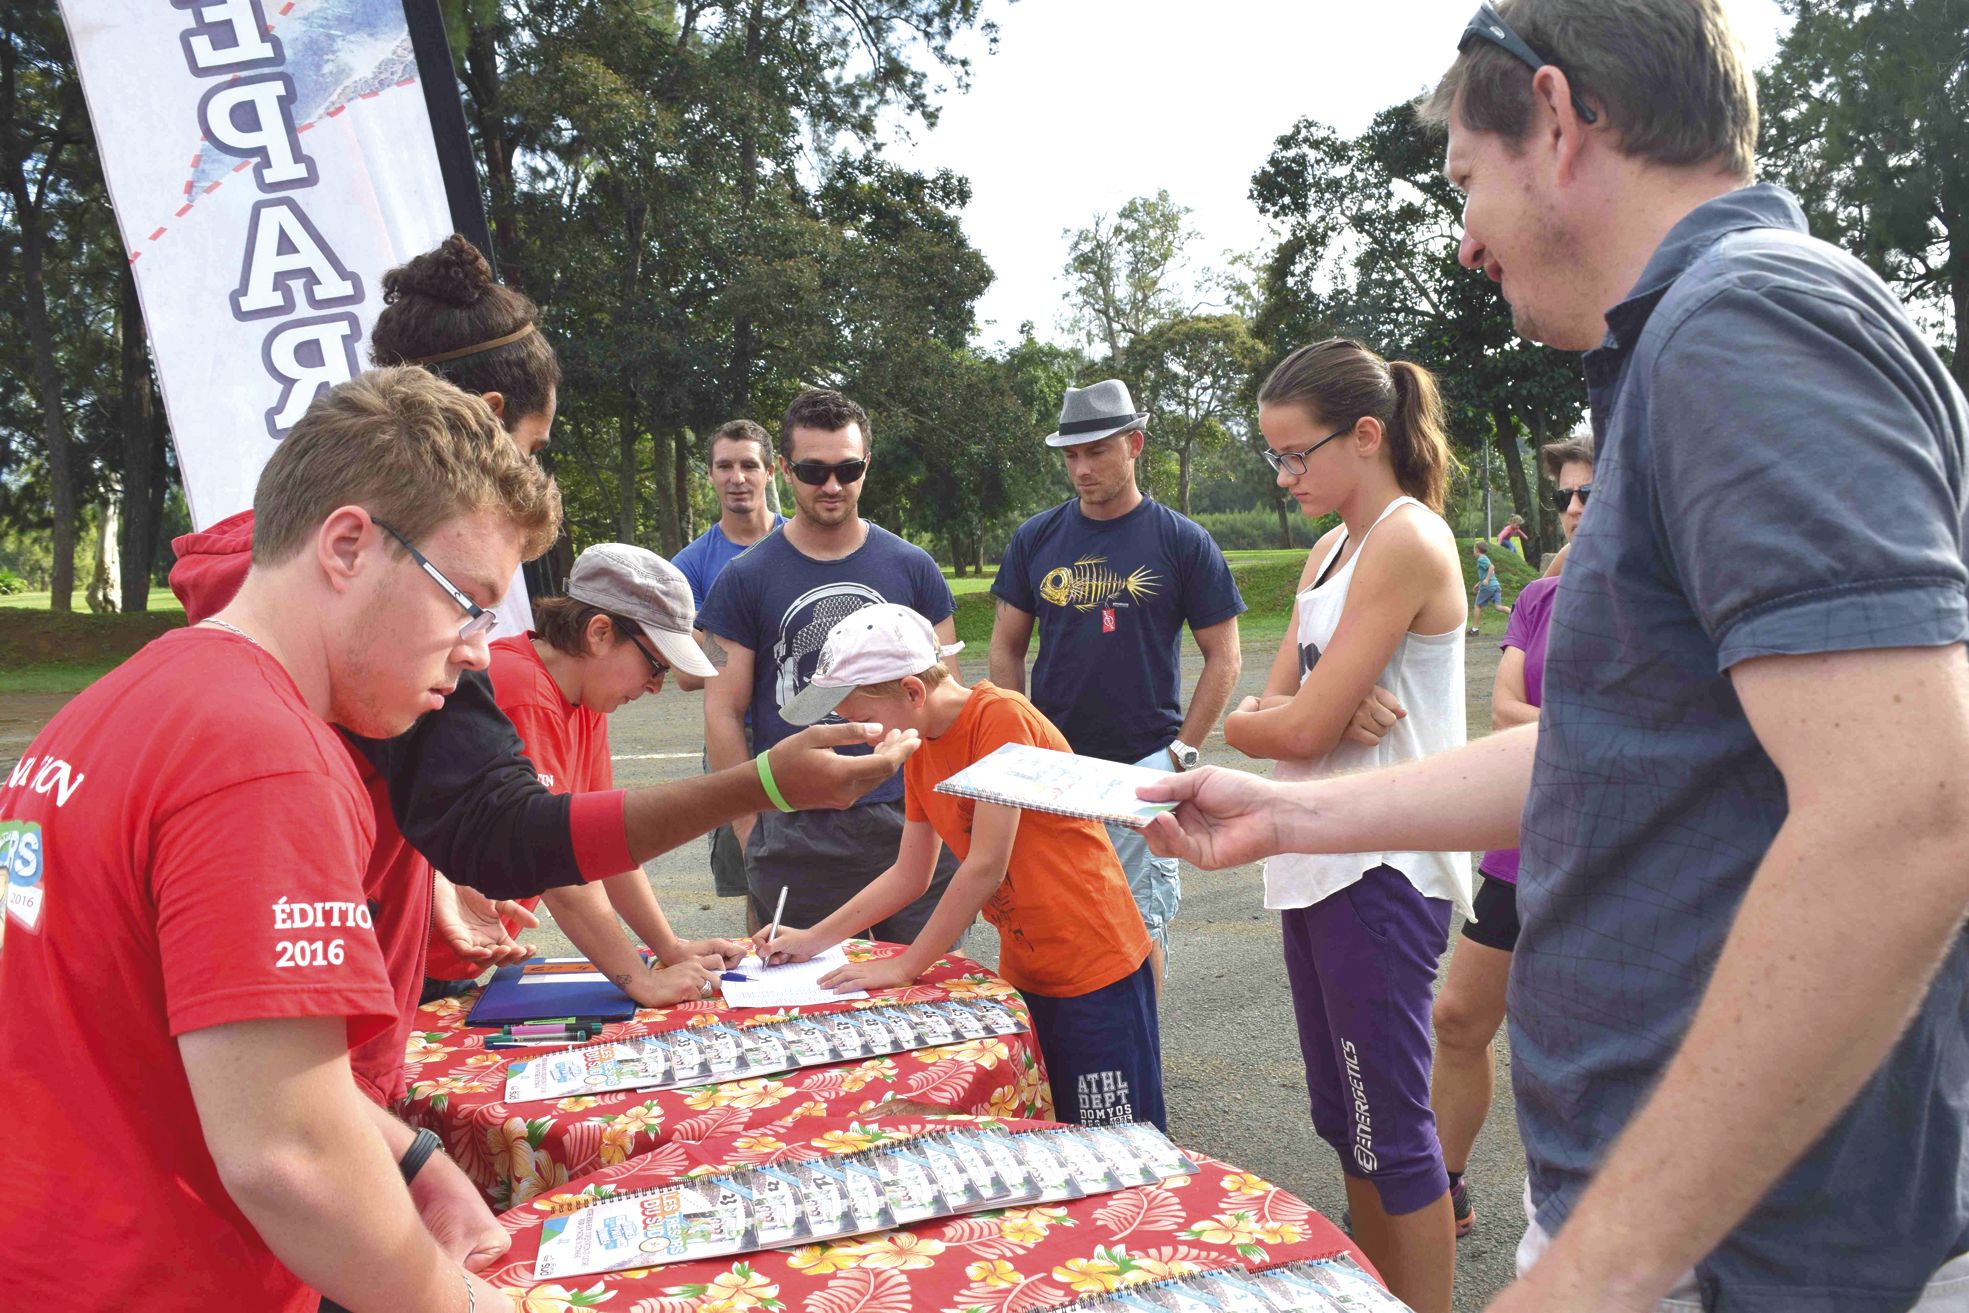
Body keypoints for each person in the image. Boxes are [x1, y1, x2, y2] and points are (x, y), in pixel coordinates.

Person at [1141, 3, 1969, 1309]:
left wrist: (1600, 1270)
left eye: (1468, 180)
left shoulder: (1741, 330)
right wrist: (1291, 809)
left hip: (1743, 1259)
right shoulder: (1697, 341)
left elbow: (1905, 815)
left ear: (1558, 117)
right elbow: (1609, 749)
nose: (1463, 238)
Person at [169, 238, 915, 1110]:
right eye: (461, 601)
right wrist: (757, 787)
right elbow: (276, 1129)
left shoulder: (219, 674)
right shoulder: (245, 736)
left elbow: (518, 831)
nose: (480, 651)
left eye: (485, 617)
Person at [0, 368, 556, 1311]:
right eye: (466, 600)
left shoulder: (117, 705)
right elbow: (288, 1154)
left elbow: (199, 1050)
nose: (474, 650)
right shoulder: (265, 755)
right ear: (346, 545)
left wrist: (418, 1157)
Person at [1227, 339, 1469, 1313]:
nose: (1285, 477)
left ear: (1365, 435)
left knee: (1389, 1128)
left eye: (1297, 455)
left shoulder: (1407, 538)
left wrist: (1297, 716)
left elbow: (1302, 721)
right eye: (1274, 459)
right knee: (1346, 1121)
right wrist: (1285, 715)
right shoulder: (1331, 549)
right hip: (1313, 858)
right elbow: (1263, 714)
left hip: (1382, 867)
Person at [758, 603, 1165, 1130]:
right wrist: (815, 938)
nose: (854, 729)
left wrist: (906, 966)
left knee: (1119, 1135)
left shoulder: (1000, 718)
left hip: (1094, 963)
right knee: (1055, 1124)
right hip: (1029, 968)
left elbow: (986, 866)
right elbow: (911, 873)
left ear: (912, 691)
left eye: (858, 713)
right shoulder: (920, 748)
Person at [988, 379, 1244, 991]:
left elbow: (1225, 655)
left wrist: (1182, 749)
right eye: (1071, 455)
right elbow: (1005, 646)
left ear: (1135, 445)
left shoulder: (1181, 540)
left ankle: (1140, 1058)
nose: (1081, 468)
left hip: (1141, 763)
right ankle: (1076, 1053)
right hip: (1053, 766)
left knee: (1137, 921)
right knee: (1057, 914)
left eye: (1097, 451)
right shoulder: (1037, 538)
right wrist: (1018, 738)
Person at [422, 545, 749, 1005]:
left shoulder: (583, 698)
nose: (657, 687)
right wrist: (639, 980)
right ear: (599, 633)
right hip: (417, 952)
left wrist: (669, 948)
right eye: (656, 665)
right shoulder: (523, 693)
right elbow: (555, 862)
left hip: (453, 949)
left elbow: (603, 845)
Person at [699, 388, 963, 940]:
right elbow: (724, 709)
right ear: (784, 470)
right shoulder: (744, 578)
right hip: (797, 827)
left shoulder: (913, 567)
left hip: (910, 817)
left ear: (866, 464)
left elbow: (947, 699)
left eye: (847, 468)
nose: (833, 486)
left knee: (923, 997)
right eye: (814, 470)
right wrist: (750, 826)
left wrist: (951, 812)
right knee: (802, 1001)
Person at [1428, 434, 1592, 1243]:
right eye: (1565, 494)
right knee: (1458, 1018)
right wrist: (1592, 728)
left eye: (1587, 495)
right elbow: (1501, 713)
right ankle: (1441, 1186)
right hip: (1518, 842)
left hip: (1610, 856)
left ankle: (1573, 1212)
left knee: (1575, 1044)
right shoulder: (1540, 598)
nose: (1569, 510)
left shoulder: (1661, 597)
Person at [672, 420, 786, 902]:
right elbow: (685, 671)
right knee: (756, 877)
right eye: (725, 466)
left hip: (802, 724)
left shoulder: (803, 542)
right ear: (710, 475)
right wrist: (737, 633)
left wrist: (716, 634)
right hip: (734, 734)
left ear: (771, 472)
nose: (737, 477)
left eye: (748, 465)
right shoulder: (691, 565)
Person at [1467, 540, 1504, 634]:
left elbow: (1492, 567)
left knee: (1477, 605)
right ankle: (1516, 613)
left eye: (1474, 549)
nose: (1473, 552)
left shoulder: (1481, 559)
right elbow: (1487, 572)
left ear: (1477, 550)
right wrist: (1479, 583)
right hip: (1496, 585)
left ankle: (1474, 629)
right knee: (1498, 607)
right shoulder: (1485, 558)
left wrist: (1486, 580)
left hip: (1489, 587)